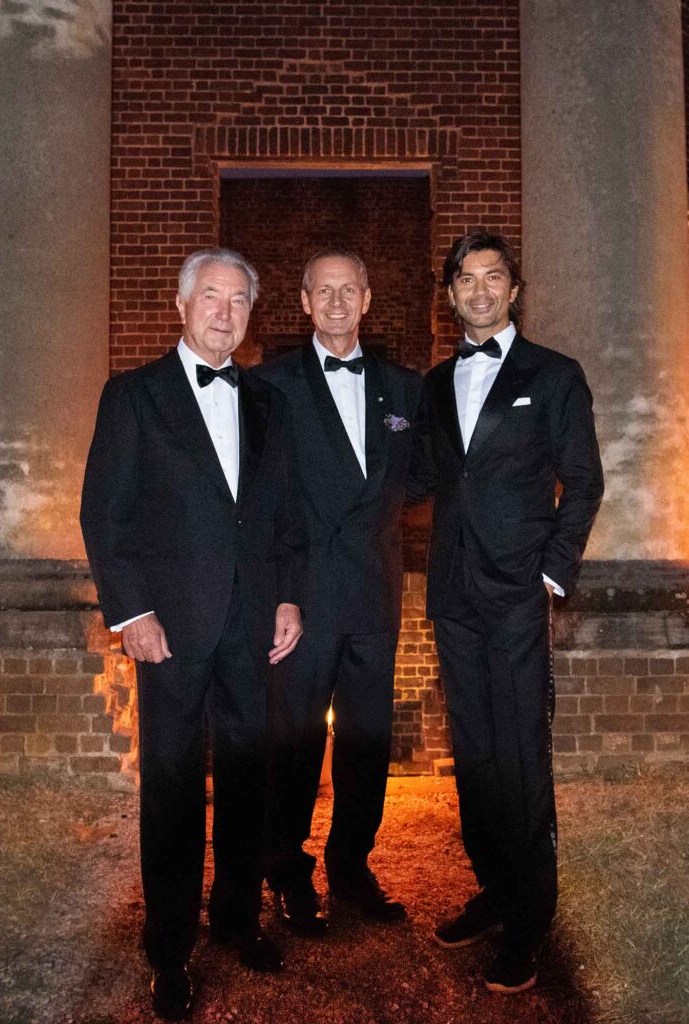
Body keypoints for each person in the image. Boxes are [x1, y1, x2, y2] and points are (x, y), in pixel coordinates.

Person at [80, 248, 305, 1020]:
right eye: (211, 296)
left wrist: (287, 600)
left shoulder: (269, 403)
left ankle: (237, 919)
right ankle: (169, 949)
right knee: (173, 792)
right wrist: (131, 613)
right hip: (168, 633)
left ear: (250, 313)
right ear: (181, 306)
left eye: (239, 299)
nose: (224, 311)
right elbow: (104, 518)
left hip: (250, 629)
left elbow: (280, 520)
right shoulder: (133, 396)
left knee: (249, 782)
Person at [411, 231, 603, 994]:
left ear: (514, 290)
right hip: (453, 594)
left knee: (520, 759)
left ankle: (529, 922)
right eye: (466, 279)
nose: (480, 291)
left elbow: (581, 482)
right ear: (450, 293)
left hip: (519, 593)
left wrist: (552, 575)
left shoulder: (553, 377)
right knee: (476, 753)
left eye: (494, 278)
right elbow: (423, 475)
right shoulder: (432, 385)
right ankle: (494, 890)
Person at [255, 248, 422, 936]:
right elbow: (258, 502)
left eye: (345, 290)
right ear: (301, 301)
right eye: (320, 291)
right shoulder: (267, 386)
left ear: (366, 298)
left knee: (365, 742)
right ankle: (287, 872)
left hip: (374, 598)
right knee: (293, 742)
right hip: (302, 598)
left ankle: (350, 867)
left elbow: (423, 480)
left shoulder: (406, 390)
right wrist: (276, 594)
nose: (333, 302)